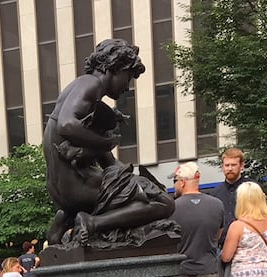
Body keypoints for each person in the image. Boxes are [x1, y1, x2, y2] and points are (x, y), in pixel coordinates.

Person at [42, 39, 174, 246]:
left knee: (142, 188)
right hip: (79, 187)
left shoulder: (88, 102)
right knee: (164, 202)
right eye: (128, 77)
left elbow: (109, 164)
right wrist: (106, 142)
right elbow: (66, 125)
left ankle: (65, 220)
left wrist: (130, 177)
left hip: (64, 190)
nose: (127, 87)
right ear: (115, 68)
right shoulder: (90, 84)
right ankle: (92, 222)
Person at [211, 148, 253, 277]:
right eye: (226, 165)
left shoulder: (250, 189)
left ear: (241, 166)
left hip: (244, 250)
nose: (229, 168)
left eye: (233, 165)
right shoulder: (216, 193)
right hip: (220, 250)